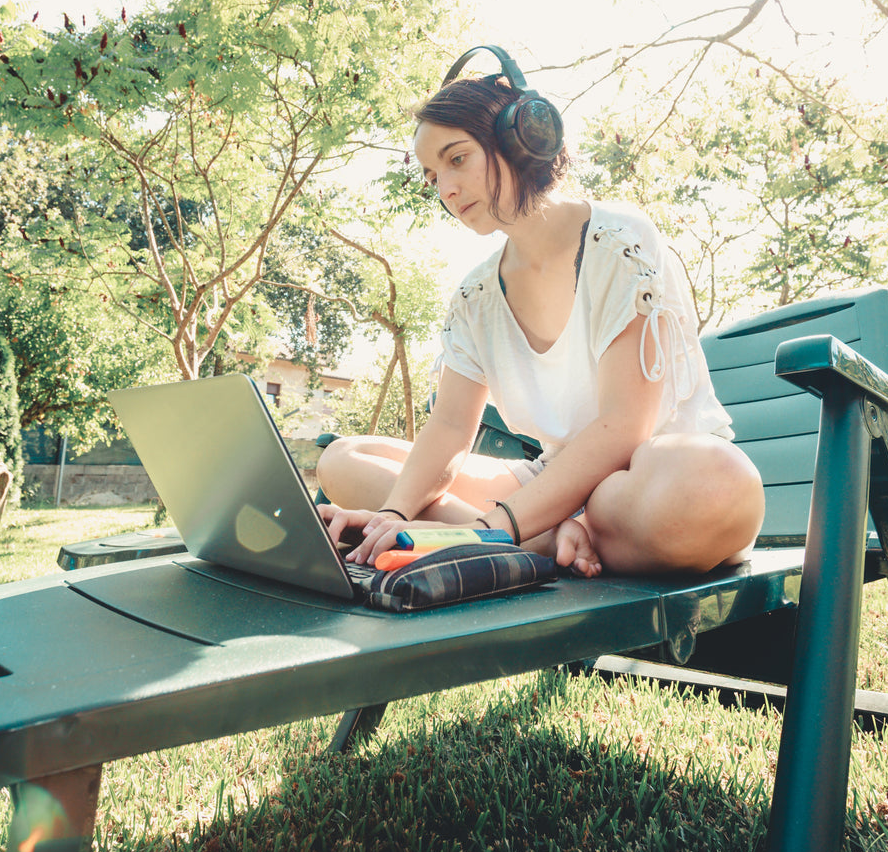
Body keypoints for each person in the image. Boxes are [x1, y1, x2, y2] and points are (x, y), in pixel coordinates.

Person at [317, 52, 764, 578]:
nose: (445, 190)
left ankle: (511, 536)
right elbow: (451, 427)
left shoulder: (619, 241)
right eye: (432, 175)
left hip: (651, 481)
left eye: (457, 159)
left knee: (716, 483)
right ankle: (552, 536)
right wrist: (391, 516)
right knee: (343, 459)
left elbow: (626, 428)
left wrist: (502, 524)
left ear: (522, 138)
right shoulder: (475, 296)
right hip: (551, 482)